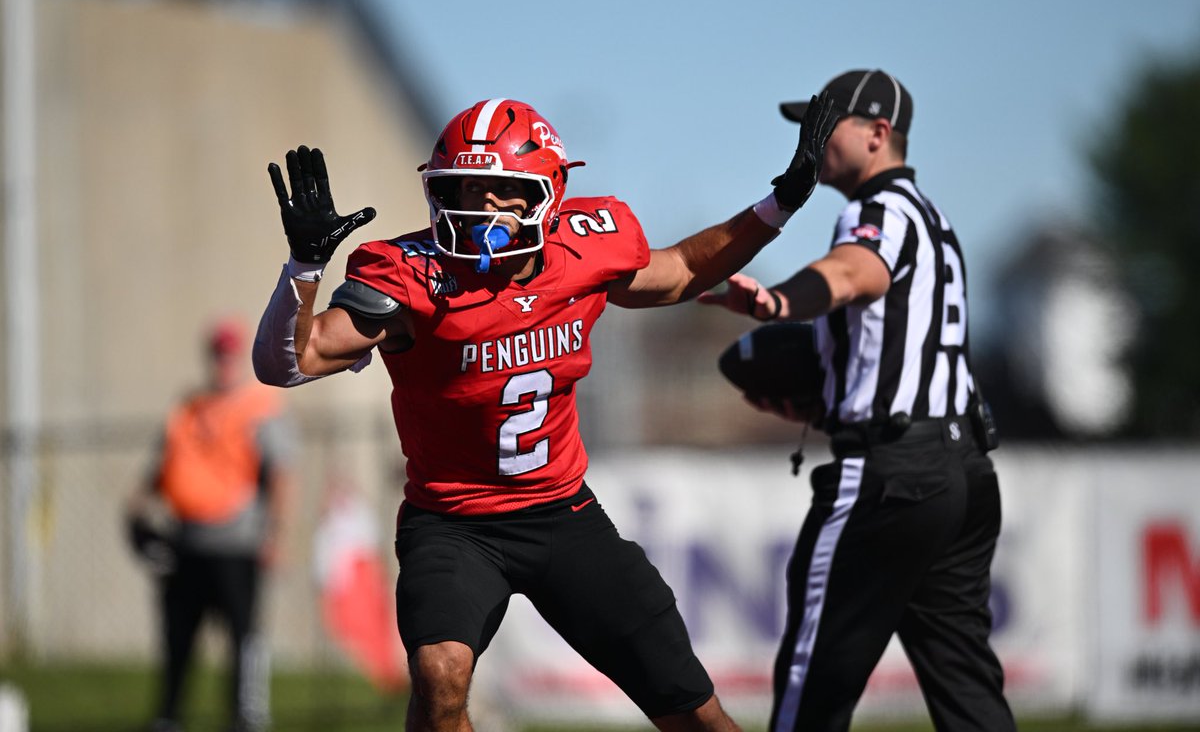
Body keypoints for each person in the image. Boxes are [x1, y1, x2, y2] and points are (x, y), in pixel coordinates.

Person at [251, 95, 837, 731]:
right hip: (453, 520)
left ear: (543, 195)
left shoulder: (586, 248)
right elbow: (289, 361)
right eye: (462, 189)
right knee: (439, 671)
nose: (475, 209)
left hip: (562, 514)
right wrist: (304, 267)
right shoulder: (409, 275)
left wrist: (782, 203)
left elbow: (684, 270)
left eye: (495, 190)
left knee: (691, 708)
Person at [699, 69, 1017, 731]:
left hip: (891, 477)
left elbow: (851, 274)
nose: (810, 144)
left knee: (812, 685)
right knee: (967, 689)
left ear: (877, 133)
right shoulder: (935, 220)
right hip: (963, 472)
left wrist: (780, 302)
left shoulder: (878, 211)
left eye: (824, 128)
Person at [126, 317, 295, 732]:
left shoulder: (259, 407)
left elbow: (281, 475)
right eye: (217, 354)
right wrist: (136, 512)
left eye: (229, 354)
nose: (223, 362)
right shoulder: (189, 408)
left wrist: (275, 534)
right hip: (187, 543)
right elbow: (159, 471)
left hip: (237, 545)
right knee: (178, 641)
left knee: (244, 640)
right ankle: (169, 716)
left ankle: (246, 717)